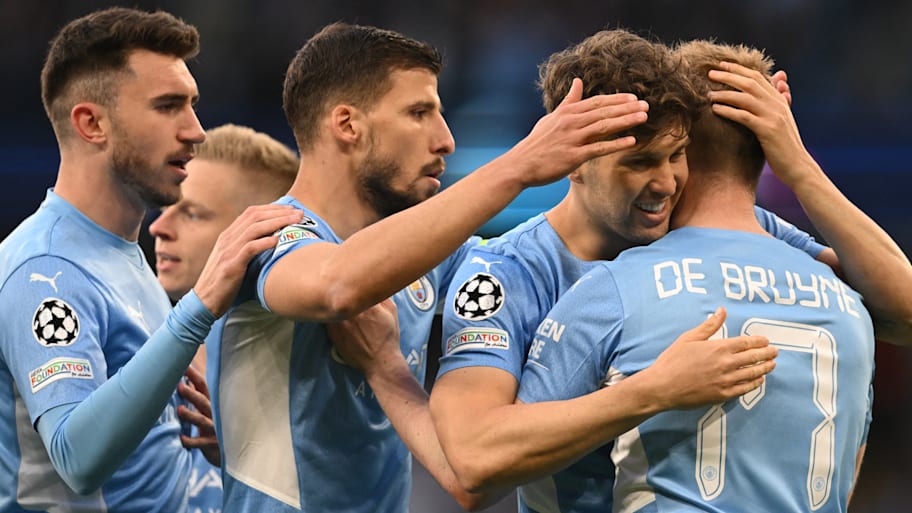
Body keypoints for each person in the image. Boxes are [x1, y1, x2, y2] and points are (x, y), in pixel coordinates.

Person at [204, 21, 658, 513]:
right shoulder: (273, 239)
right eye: (419, 112)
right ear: (347, 125)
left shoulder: (440, 261)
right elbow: (337, 285)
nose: (445, 140)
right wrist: (520, 164)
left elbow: (472, 478)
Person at [425, 29, 813, 509]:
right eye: (639, 162)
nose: (667, 183)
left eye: (677, 156)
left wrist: (797, 163)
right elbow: (474, 465)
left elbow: (896, 302)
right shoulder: (503, 276)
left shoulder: (695, 224)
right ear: (574, 162)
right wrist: (652, 391)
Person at [516, 41, 884, 513]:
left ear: (681, 145)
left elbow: (509, 462)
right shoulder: (852, 305)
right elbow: (848, 468)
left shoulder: (611, 291)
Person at [0, 8, 302, 512]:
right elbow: (77, 459)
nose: (196, 130)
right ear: (91, 123)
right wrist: (199, 306)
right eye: (168, 107)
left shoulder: (124, 257)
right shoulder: (43, 270)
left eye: (192, 105)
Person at [148, 123, 299, 513]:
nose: (159, 228)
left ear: (263, 232)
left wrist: (257, 453)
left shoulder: (316, 381)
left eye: (193, 214)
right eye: (166, 209)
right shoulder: (133, 360)